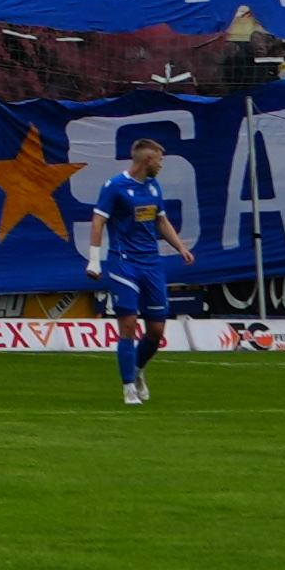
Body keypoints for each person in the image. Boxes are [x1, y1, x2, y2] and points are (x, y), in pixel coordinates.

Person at [86, 134, 193, 404]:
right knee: (129, 324)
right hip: (124, 263)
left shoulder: (154, 187)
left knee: (156, 331)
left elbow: (161, 221)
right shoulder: (115, 186)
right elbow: (98, 222)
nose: (161, 165)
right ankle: (128, 388)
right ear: (148, 159)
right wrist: (94, 260)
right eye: (160, 160)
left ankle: (137, 369)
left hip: (151, 264)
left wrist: (181, 247)